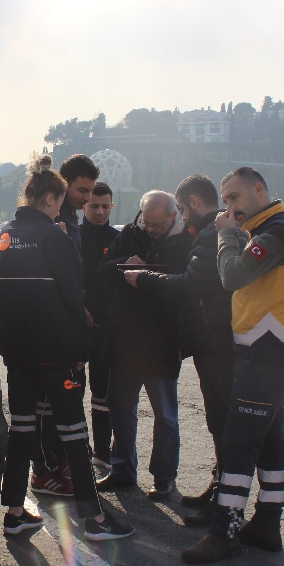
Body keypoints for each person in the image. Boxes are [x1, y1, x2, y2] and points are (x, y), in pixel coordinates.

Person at [0, 154, 133, 541]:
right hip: (56, 352)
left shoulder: (5, 236)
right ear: (52, 199)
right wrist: (82, 350)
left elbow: (2, 296)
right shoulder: (56, 237)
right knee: (73, 433)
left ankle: (15, 513)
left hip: (17, 352)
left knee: (21, 429)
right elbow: (74, 298)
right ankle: (95, 520)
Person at [181, 167, 284, 564]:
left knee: (238, 443)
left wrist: (225, 234)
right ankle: (267, 524)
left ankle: (225, 532)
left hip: (269, 351)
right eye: (225, 201)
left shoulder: (278, 232)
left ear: (258, 190)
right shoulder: (266, 230)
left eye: (235, 198)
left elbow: (232, 276)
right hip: (267, 348)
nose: (229, 208)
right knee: (270, 440)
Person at [122, 175, 233, 525]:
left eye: (182, 210)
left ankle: (226, 502)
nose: (183, 217)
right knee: (218, 419)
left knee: (222, 420)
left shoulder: (209, 236)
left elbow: (190, 285)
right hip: (209, 337)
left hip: (215, 339)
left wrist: (143, 277)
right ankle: (220, 488)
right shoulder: (208, 233)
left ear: (193, 203)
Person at [95, 191, 192, 500]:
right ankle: (122, 469)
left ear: (173, 216)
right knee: (121, 409)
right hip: (125, 338)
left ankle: (164, 478)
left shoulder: (186, 241)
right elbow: (102, 271)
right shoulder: (129, 233)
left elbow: (188, 289)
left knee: (166, 416)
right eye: (147, 223)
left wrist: (149, 277)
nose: (150, 229)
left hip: (163, 341)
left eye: (157, 224)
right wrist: (124, 263)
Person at [28, 153, 100, 496]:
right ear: (61, 187)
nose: (87, 198)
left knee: (64, 403)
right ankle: (46, 468)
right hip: (55, 330)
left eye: (91, 192)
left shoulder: (69, 221)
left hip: (65, 323)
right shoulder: (51, 225)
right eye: (82, 191)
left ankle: (61, 463)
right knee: (50, 405)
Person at [80, 182, 119, 470]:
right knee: (72, 389)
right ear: (84, 205)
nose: (100, 212)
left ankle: (103, 451)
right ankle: (76, 449)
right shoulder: (71, 237)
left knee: (102, 393)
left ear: (112, 206)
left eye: (105, 206)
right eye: (94, 206)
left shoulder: (119, 239)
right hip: (77, 323)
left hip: (107, 326)